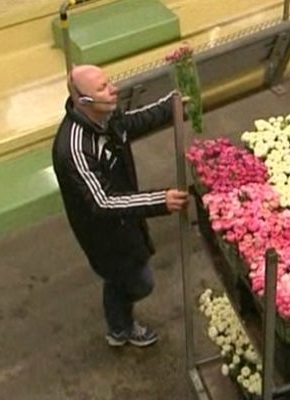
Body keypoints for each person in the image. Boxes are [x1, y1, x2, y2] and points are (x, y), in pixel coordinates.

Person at [52, 65, 188, 347]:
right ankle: (120, 328)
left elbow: (132, 123)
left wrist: (172, 105)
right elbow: (103, 202)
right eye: (102, 88)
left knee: (129, 269)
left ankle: (118, 320)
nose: (113, 89)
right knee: (137, 281)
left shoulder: (106, 117)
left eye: (109, 82)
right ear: (82, 100)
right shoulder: (75, 149)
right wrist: (159, 200)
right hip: (103, 233)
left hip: (126, 219)